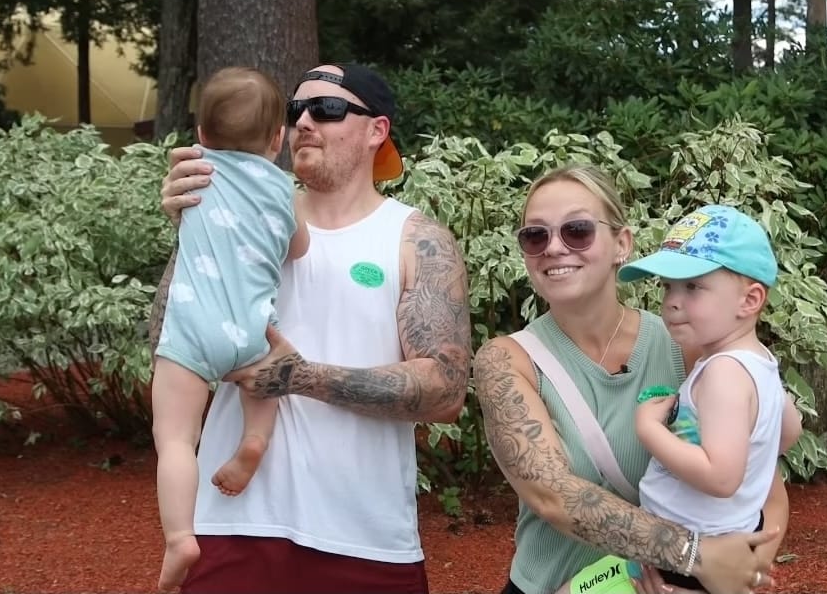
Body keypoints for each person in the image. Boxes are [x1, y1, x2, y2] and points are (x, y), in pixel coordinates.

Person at [150, 63, 471, 593]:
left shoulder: (415, 239)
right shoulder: (242, 219)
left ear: (377, 131)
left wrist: (302, 377)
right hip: (230, 526)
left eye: (327, 109)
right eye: (295, 109)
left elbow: (445, 391)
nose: (304, 122)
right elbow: (166, 334)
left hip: (366, 540)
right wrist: (192, 226)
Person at [472, 164, 792, 594]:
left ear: (622, 243)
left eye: (577, 230)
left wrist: (734, 575)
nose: (553, 248)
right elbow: (555, 496)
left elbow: (765, 490)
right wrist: (692, 557)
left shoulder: (692, 348)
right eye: (535, 236)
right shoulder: (507, 362)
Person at [555, 204, 805, 594]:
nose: (672, 301)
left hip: (688, 561)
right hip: (692, 549)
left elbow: (721, 478)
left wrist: (649, 428)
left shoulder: (724, 373)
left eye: (693, 287)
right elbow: (788, 433)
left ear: (750, 300)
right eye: (668, 286)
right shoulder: (762, 366)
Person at [150, 66, 309, 591]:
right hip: (251, 331)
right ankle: (254, 441)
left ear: (200, 136)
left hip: (193, 330)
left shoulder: (195, 170)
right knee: (263, 382)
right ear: (278, 139)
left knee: (175, 437)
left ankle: (179, 538)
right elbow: (300, 247)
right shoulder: (282, 187)